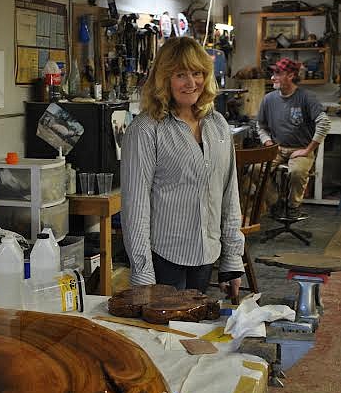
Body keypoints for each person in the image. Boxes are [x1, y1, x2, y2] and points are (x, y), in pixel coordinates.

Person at [121, 36, 244, 300]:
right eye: (180, 74)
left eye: (197, 73)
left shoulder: (218, 124)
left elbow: (229, 195)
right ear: (164, 79)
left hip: (206, 253)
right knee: (162, 336)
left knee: (192, 329)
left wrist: (232, 259)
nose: (191, 83)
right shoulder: (145, 130)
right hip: (164, 258)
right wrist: (143, 275)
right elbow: (136, 207)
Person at [257, 57, 331, 218]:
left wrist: (308, 149)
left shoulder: (306, 97)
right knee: (255, 169)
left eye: (277, 73)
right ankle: (275, 201)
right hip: (276, 148)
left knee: (296, 172)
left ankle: (293, 206)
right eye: (273, 73)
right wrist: (268, 142)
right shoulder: (268, 99)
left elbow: (324, 123)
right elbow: (260, 125)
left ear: (290, 75)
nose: (272, 77)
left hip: (300, 149)